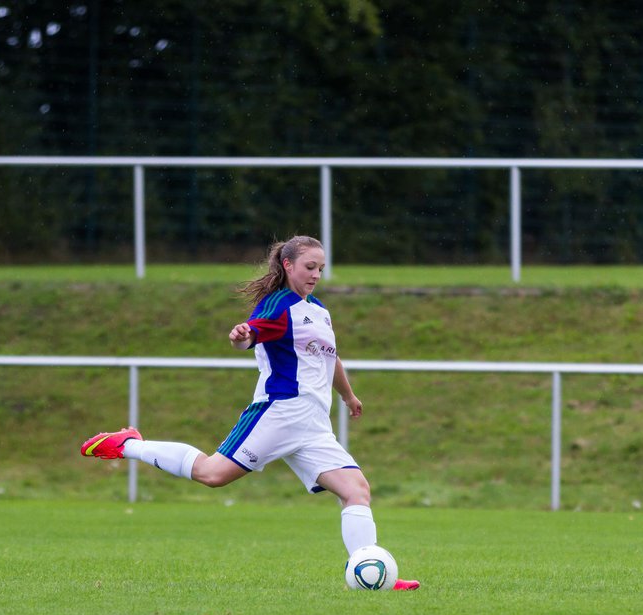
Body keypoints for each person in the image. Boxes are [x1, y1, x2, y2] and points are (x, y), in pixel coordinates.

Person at [80, 235, 419, 591]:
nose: (316, 274)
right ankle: (129, 444)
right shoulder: (277, 306)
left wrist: (348, 396)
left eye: (320, 267)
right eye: (309, 267)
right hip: (279, 412)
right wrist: (240, 336)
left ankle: (373, 568)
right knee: (212, 474)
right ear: (288, 265)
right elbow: (250, 335)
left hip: (314, 424)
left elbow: (329, 356)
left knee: (356, 490)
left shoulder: (317, 309)